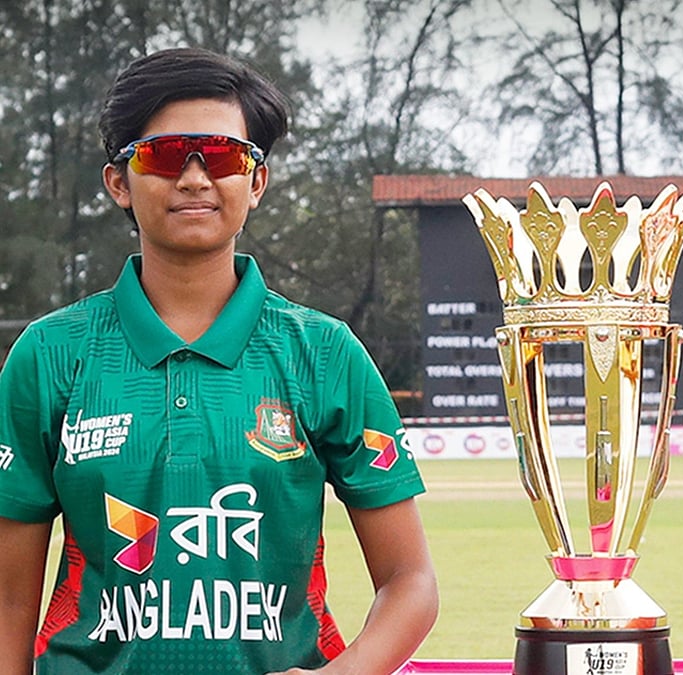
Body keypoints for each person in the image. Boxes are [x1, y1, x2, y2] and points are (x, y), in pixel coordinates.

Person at [0, 48, 438, 674]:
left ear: (255, 181)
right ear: (119, 181)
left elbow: (411, 581)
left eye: (225, 156)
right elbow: (8, 598)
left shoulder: (322, 352)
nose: (196, 178)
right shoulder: (49, 354)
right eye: (166, 155)